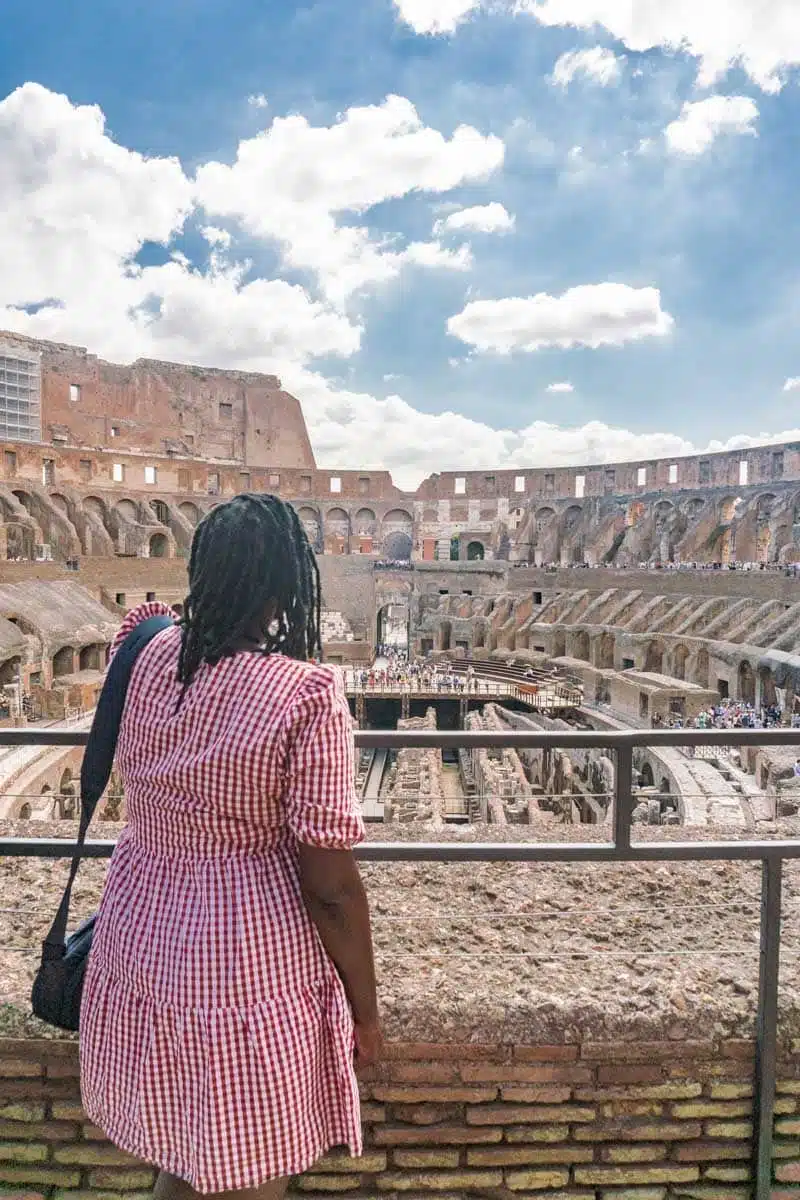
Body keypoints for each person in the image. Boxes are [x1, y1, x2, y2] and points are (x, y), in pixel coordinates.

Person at [80, 494, 380, 1200]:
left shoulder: (144, 649)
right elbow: (330, 884)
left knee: (184, 1155)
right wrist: (366, 1010)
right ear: (286, 587)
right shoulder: (303, 694)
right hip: (241, 960)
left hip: (140, 931)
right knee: (248, 1169)